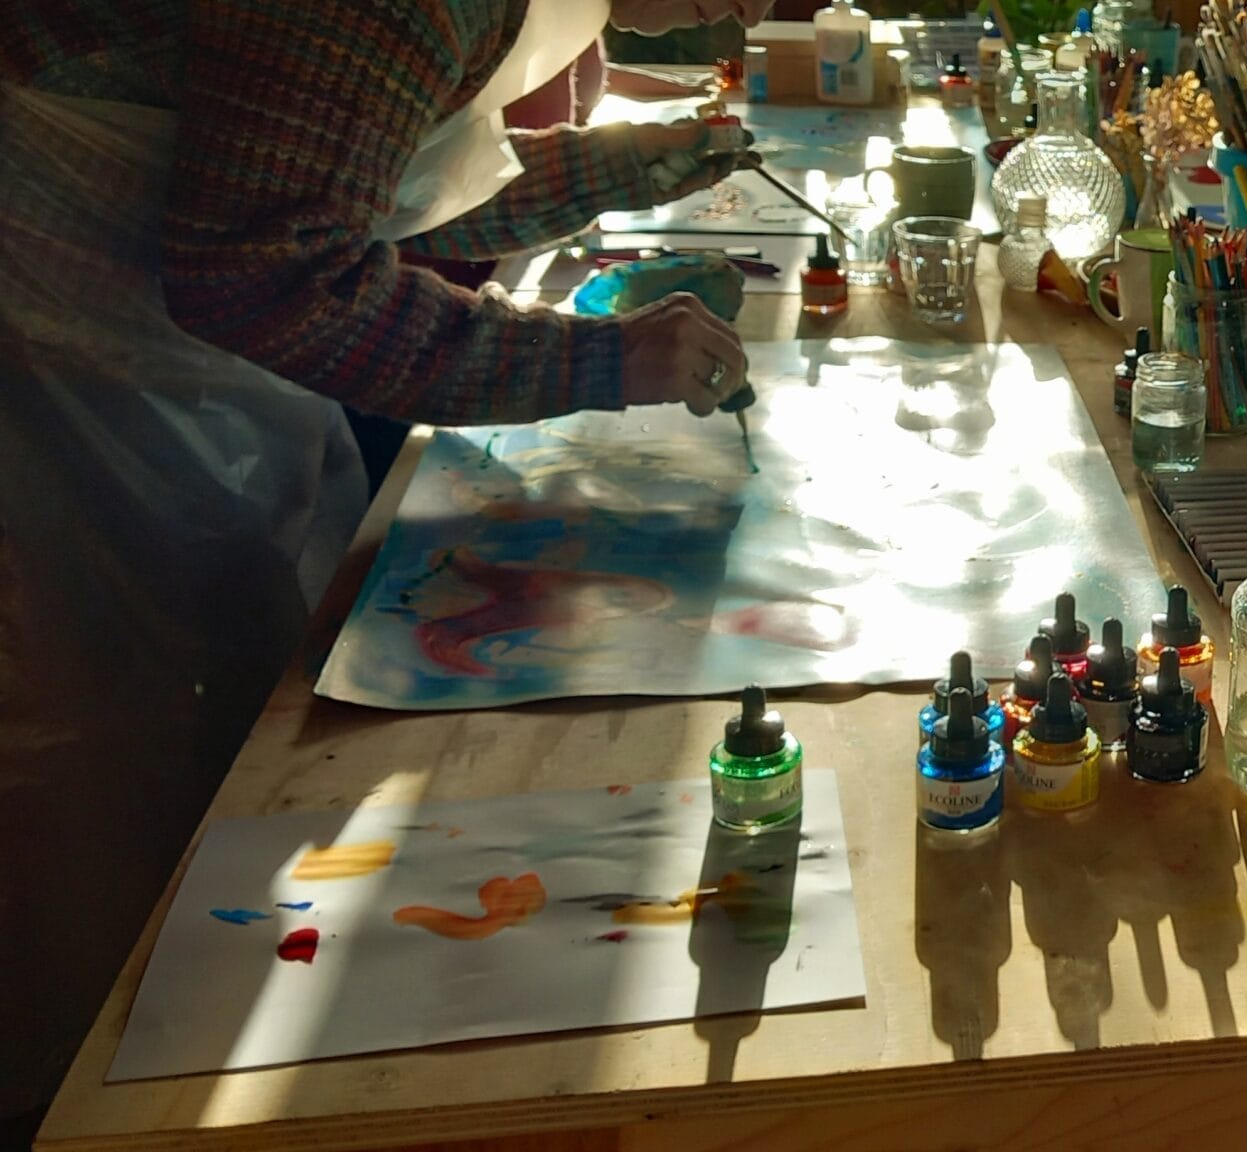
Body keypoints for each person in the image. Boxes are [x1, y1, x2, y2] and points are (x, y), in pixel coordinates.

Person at [0, 0, 774, 1137]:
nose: (753, 12)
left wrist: (622, 165)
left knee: (248, 710)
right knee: (116, 767)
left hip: (154, 343)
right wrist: (598, 359)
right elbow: (269, 275)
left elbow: (359, 182)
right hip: (55, 365)